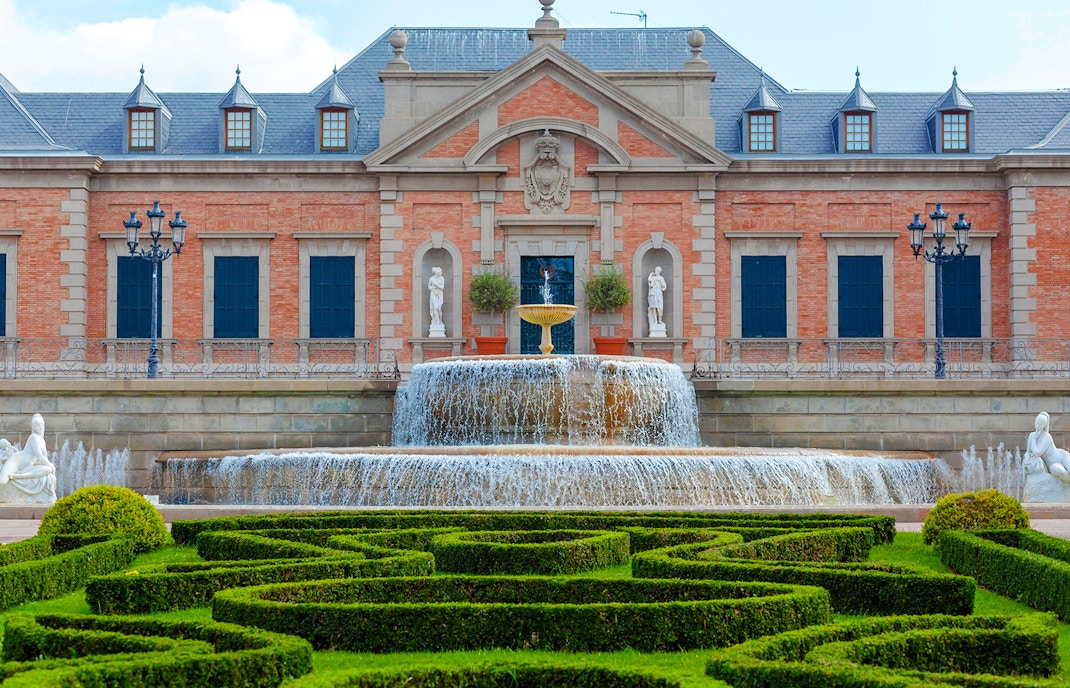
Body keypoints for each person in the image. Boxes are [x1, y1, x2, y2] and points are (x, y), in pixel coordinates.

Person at [0, 413, 55, 499]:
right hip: (17, 461)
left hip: (26, 468)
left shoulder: (42, 441)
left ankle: (16, 476)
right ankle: (11, 475)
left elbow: (44, 459)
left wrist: (51, 467)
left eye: (40, 424)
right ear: (33, 426)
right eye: (36, 425)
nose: (38, 427)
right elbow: (39, 456)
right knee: (2, 482)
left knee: (48, 469)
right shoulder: (33, 437)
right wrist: (51, 465)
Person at [1025, 411, 1070, 483]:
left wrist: (1034, 440)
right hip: (1052, 464)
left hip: (1062, 456)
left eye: (1040, 424)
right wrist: (1026, 458)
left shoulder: (1047, 436)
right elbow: (1028, 451)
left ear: (1044, 425)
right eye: (1037, 423)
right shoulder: (1031, 435)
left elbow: (1037, 453)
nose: (1037, 425)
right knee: (1060, 471)